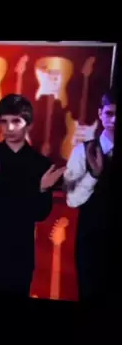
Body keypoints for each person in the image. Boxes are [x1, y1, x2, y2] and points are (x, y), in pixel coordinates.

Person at [0, 94, 65, 296]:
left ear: (28, 124)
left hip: (19, 252)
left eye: (16, 121)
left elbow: (40, 213)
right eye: (4, 122)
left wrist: (42, 189)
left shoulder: (40, 164)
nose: (9, 128)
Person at [64, 89, 116, 301]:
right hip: (92, 242)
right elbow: (71, 200)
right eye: (110, 113)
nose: (114, 120)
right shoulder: (81, 151)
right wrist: (94, 176)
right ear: (100, 113)